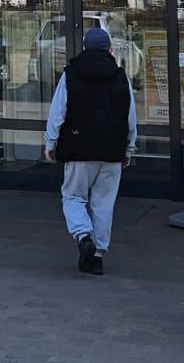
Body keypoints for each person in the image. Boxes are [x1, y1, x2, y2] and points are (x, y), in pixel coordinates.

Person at [45, 26, 137, 275]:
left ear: (85, 47)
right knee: (104, 203)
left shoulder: (70, 75)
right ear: (110, 49)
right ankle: (97, 255)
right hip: (112, 151)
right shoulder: (121, 77)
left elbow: (58, 112)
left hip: (78, 149)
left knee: (73, 196)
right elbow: (130, 117)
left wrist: (51, 142)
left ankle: (83, 235)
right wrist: (129, 147)